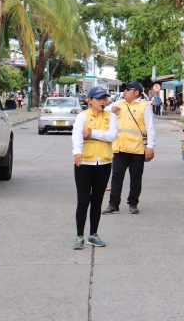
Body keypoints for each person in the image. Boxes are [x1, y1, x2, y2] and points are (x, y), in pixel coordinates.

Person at [71, 87, 119, 249]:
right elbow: (77, 134)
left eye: (104, 99)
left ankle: (93, 234)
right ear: (89, 100)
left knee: (97, 200)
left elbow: (112, 136)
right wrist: (77, 152)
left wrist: (92, 133)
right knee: (83, 199)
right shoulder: (82, 117)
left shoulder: (111, 116)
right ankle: (79, 236)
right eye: (98, 99)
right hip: (84, 162)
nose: (102, 102)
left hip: (104, 162)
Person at [102, 81, 156, 215]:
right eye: (124, 89)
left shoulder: (145, 107)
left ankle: (133, 203)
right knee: (116, 177)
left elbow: (150, 128)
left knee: (136, 178)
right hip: (119, 148)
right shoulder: (119, 104)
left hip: (137, 149)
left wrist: (150, 147)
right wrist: (110, 110)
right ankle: (113, 204)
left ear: (136, 92)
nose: (124, 91)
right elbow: (103, 108)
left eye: (128, 89)